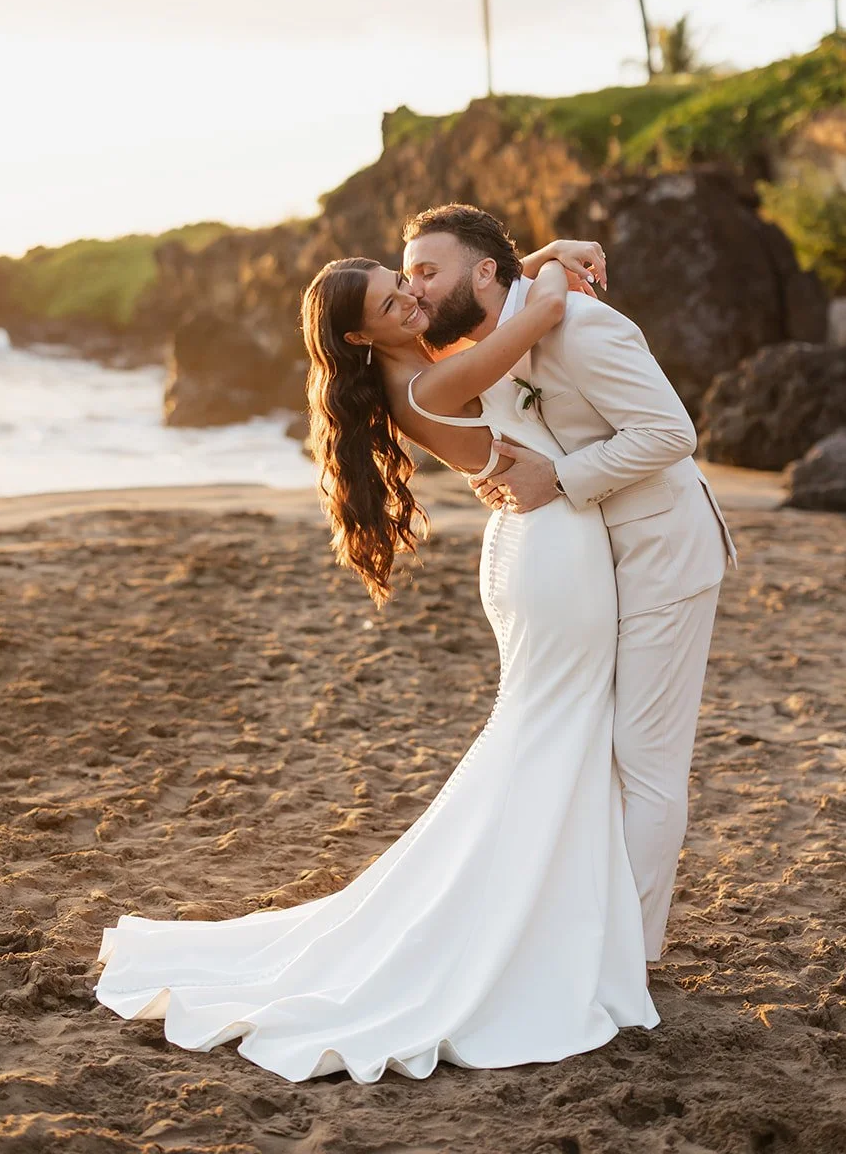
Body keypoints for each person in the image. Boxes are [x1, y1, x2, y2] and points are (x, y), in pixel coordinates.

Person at [93, 238, 660, 1083]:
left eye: (407, 284)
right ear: (364, 339)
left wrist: (531, 254)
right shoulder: (432, 381)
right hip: (552, 552)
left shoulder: (427, 364)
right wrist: (549, 257)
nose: (413, 302)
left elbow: (497, 297)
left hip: (535, 544)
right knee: (555, 734)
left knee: (546, 735)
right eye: (394, 303)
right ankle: (544, 928)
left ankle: (556, 914)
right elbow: (535, 305)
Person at [402, 204, 737, 964]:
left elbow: (669, 434)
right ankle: (588, 928)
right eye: (408, 274)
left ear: (483, 272)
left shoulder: (583, 327)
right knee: (591, 744)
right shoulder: (487, 338)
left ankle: (631, 955)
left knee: (643, 759)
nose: (414, 288)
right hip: (591, 562)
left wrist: (560, 479)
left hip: (660, 551)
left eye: (427, 270)